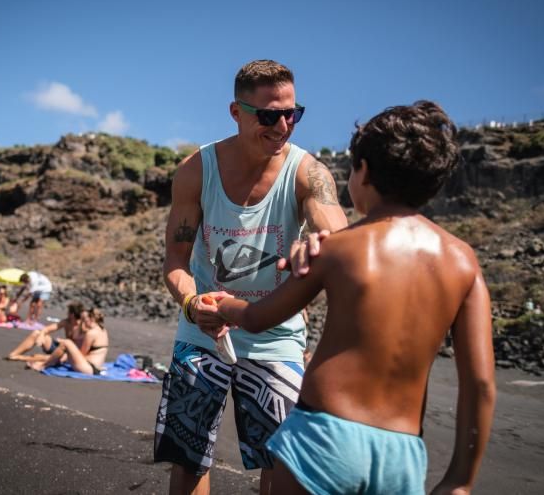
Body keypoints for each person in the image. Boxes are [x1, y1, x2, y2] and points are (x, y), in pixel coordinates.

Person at [198, 101, 497, 494]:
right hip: (401, 451)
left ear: (364, 171)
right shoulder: (463, 261)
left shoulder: (340, 248)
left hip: (323, 436)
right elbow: (480, 383)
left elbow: (257, 318)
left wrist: (221, 304)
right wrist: (460, 480)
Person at [153, 59, 347, 495]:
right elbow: (175, 260)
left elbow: (338, 235)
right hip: (203, 331)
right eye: (268, 115)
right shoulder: (196, 170)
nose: (283, 126)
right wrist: (191, 303)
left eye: (292, 114)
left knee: (281, 464)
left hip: (276, 336)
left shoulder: (308, 172)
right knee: (188, 458)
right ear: (236, 112)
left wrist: (320, 247)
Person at [28, 307, 109, 374]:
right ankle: (48, 362)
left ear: (90, 319)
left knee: (66, 343)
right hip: (96, 367)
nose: (82, 322)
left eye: (84, 320)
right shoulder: (103, 330)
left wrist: (67, 355)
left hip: (89, 368)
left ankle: (43, 365)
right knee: (66, 346)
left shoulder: (91, 333)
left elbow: (82, 354)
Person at [6, 302, 85, 362]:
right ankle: (14, 354)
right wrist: (41, 336)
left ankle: (22, 358)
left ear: (72, 315)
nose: (67, 314)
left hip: (70, 354)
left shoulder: (83, 327)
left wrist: (63, 341)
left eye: (68, 312)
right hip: (61, 348)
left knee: (48, 357)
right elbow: (46, 329)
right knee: (36, 333)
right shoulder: (66, 322)